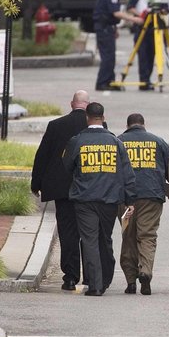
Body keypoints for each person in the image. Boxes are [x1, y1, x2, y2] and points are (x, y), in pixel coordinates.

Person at [63, 103, 136, 296]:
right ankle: (105, 278)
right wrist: (130, 201)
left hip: (84, 198)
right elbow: (127, 173)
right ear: (103, 118)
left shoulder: (77, 141)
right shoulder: (115, 142)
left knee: (89, 241)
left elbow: (67, 165)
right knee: (105, 239)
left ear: (87, 118)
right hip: (110, 199)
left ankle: (95, 285)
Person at [31, 90, 89, 291]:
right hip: (89, 190)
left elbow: (43, 156)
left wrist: (36, 184)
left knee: (68, 232)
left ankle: (70, 276)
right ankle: (90, 275)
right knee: (89, 232)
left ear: (72, 104)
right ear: (87, 105)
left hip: (63, 189)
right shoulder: (96, 126)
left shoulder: (55, 126)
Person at [118, 113, 169, 296]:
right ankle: (145, 271)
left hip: (125, 199)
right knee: (147, 236)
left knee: (128, 236)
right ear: (143, 125)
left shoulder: (119, 141)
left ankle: (131, 282)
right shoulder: (158, 141)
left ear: (128, 125)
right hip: (152, 196)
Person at [93, 0, 138, 91]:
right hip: (104, 28)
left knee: (110, 57)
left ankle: (109, 81)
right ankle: (102, 82)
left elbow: (111, 16)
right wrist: (134, 19)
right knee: (107, 57)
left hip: (108, 28)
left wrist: (115, 28)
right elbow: (116, 13)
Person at [125, 0, 159, 90]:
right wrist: (141, 15)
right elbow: (130, 7)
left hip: (154, 28)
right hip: (142, 26)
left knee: (152, 55)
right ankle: (143, 80)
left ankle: (147, 79)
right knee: (143, 55)